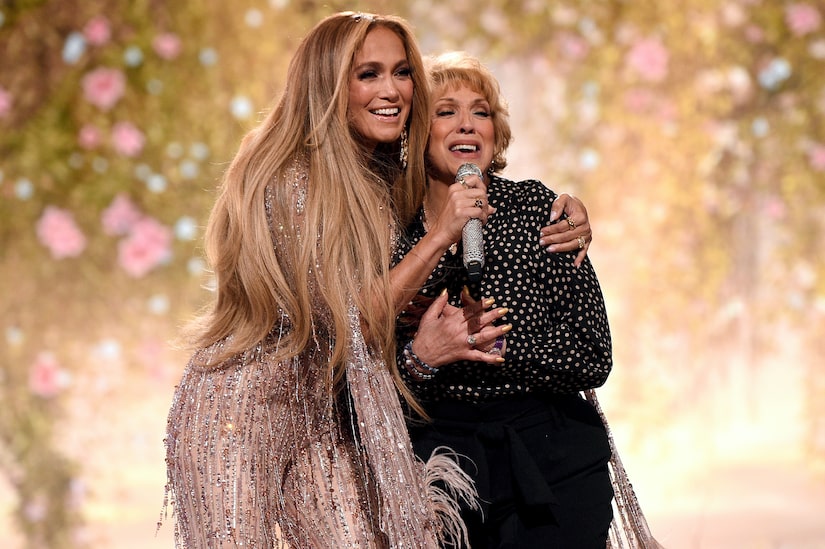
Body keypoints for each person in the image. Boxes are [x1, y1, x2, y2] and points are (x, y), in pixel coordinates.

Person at [162, 13, 593, 548]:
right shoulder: (285, 176)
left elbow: (452, 175)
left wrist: (564, 208)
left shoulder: (386, 171)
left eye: (402, 72)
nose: (391, 90)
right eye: (368, 74)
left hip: (333, 418)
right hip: (240, 417)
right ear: (328, 84)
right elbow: (348, 323)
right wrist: (440, 236)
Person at [393, 51, 615, 548]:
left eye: (481, 111)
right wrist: (423, 358)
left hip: (552, 460)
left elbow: (592, 353)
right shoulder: (389, 230)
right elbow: (362, 373)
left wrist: (496, 347)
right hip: (439, 469)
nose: (467, 124)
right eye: (446, 111)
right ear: (417, 130)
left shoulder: (539, 209)